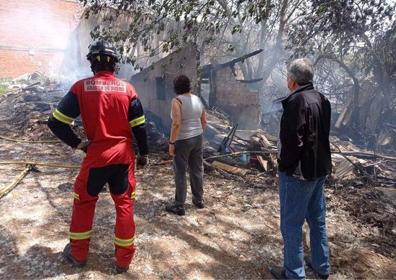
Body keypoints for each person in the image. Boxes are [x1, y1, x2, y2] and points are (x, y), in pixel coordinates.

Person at [48, 40, 148, 273]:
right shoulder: (128, 89)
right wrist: (144, 154)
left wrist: (79, 144)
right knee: (124, 204)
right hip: (123, 156)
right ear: (115, 64)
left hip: (96, 157)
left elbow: (56, 122)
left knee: (84, 203)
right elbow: (140, 127)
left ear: (92, 64)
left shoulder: (81, 88)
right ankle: (123, 260)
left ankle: (78, 254)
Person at [270, 58, 332, 279]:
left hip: (298, 174)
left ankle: (294, 274)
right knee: (317, 219)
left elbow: (292, 142)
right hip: (319, 169)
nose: (287, 80)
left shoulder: (296, 101)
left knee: (291, 224)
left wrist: (284, 166)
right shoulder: (322, 99)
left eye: (288, 76)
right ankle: (321, 265)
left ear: (293, 80)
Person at [166, 75, 206, 216]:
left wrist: (172, 142)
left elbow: (176, 123)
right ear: (189, 86)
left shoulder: (177, 101)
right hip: (198, 138)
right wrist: (198, 134)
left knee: (180, 172)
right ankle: (198, 200)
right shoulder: (197, 99)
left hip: (182, 140)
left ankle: (179, 205)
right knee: (197, 169)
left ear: (176, 87)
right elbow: (204, 121)